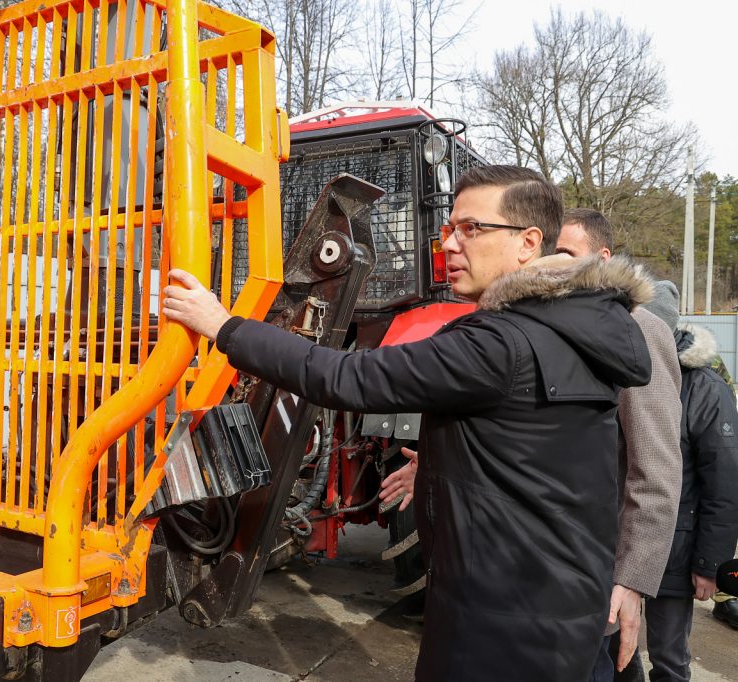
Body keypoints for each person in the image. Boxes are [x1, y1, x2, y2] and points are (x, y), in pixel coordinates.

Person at [163, 165, 653, 681]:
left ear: (528, 242)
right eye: (448, 228)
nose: (450, 245)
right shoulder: (578, 327)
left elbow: (345, 378)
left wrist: (223, 326)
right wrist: (456, 457)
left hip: (499, 628)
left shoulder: (497, 343)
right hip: (561, 605)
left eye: (472, 229)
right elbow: (543, 453)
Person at [556, 208, 683, 681]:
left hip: (597, 571)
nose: (555, 263)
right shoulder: (552, 325)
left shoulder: (638, 330)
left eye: (567, 252)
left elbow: (656, 467)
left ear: (602, 257)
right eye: (550, 251)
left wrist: (632, 579)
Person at [625, 286, 738, 680]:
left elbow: (723, 483)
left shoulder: (704, 389)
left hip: (677, 548)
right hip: (620, 542)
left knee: (669, 658)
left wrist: (710, 565)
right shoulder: (619, 371)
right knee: (616, 649)